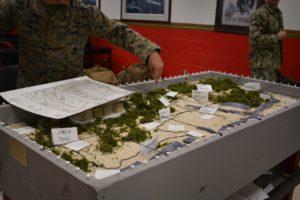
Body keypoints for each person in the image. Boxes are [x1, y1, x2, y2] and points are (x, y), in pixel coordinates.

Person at [0, 0, 164, 88]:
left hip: (71, 93)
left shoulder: (84, 12)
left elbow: (118, 32)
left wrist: (150, 52)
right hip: (31, 93)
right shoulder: (18, 6)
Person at [249, 0, 287, 81]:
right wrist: (277, 37)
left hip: (273, 63)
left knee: (271, 93)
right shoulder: (260, 13)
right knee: (261, 92)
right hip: (262, 65)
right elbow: (255, 39)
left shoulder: (277, 12)